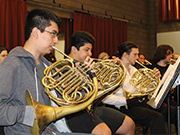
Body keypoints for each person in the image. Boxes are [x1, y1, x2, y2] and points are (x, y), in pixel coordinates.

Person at [0, 9, 94, 135]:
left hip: (52, 131)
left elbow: (67, 99)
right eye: (53, 34)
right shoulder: (13, 64)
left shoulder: (47, 66)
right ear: (35, 32)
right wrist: (30, 113)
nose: (56, 40)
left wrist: (85, 80)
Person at [65, 31, 135, 135]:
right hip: (74, 112)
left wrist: (112, 76)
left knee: (129, 125)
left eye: (90, 50)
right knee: (104, 132)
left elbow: (99, 88)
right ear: (74, 49)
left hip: (93, 108)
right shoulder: (64, 67)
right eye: (87, 50)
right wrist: (84, 76)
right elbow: (71, 97)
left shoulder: (85, 64)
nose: (90, 54)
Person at [103, 41, 177, 135]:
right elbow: (104, 97)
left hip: (143, 102)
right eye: (135, 54)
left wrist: (154, 79)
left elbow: (145, 90)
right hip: (127, 106)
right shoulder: (114, 71)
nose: (137, 57)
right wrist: (124, 100)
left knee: (175, 112)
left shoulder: (135, 70)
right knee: (156, 117)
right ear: (125, 54)